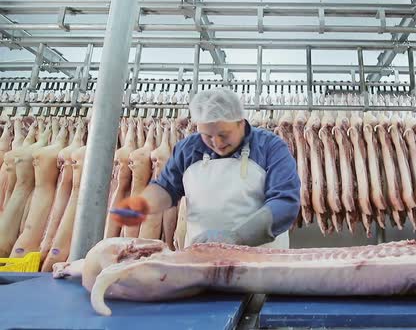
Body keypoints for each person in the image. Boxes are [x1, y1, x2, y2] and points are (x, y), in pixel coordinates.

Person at [109, 87, 301, 249]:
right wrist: (142, 205)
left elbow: (285, 202)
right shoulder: (188, 149)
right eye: (207, 135)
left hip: (261, 260)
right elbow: (166, 189)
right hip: (201, 256)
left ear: (241, 122)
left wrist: (238, 237)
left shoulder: (271, 147)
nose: (216, 143)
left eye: (223, 135)